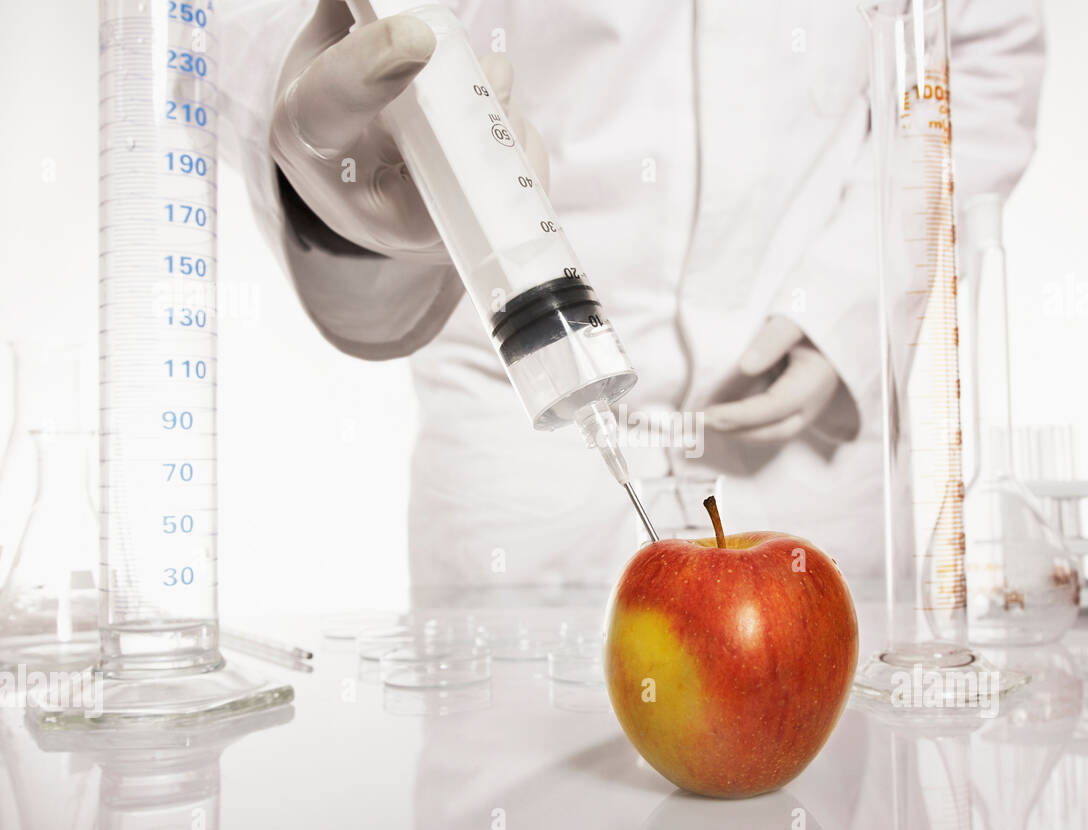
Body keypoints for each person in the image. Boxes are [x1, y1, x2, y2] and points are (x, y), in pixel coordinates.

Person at [221, 0, 1045, 609]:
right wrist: (320, 114)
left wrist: (847, 297)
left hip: (806, 430)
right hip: (512, 401)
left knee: (820, 791)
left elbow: (977, 51)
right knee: (526, 808)